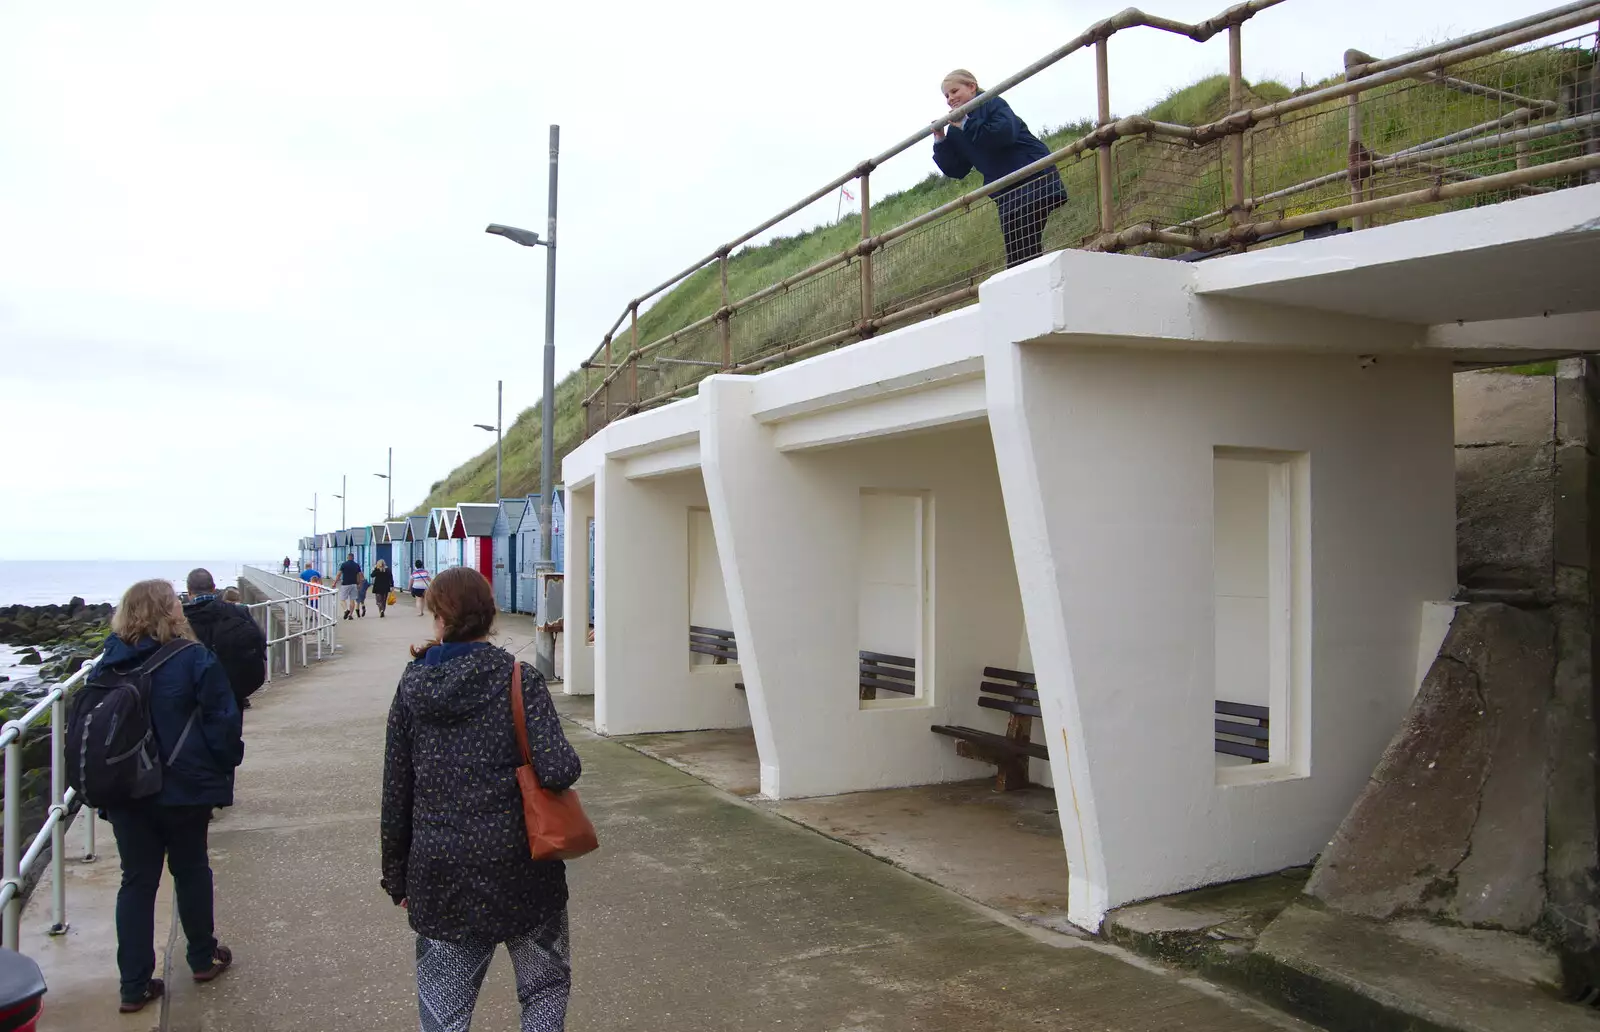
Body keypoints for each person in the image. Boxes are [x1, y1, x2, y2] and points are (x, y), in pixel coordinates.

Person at [380, 567, 582, 1031]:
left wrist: (398, 878)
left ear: (438, 616)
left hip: (440, 874)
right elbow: (558, 770)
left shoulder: (413, 687)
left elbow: (396, 791)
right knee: (544, 990)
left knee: (445, 1014)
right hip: (524, 870)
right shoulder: (519, 679)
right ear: (488, 616)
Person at [99, 579, 242, 1013]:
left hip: (126, 789)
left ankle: (133, 985)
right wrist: (222, 766)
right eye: (175, 603)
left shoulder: (108, 662)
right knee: (192, 868)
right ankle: (201, 957)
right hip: (182, 788)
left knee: (137, 882)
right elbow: (223, 721)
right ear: (169, 611)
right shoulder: (194, 658)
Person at [931, 68, 1067, 269]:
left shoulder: (991, 103)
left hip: (1032, 176)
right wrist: (941, 140)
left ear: (972, 87)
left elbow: (1004, 134)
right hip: (1006, 191)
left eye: (954, 91)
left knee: (1025, 246)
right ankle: (1027, 291)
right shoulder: (956, 127)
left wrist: (967, 124)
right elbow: (957, 169)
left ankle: (1032, 288)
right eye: (946, 95)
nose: (950, 98)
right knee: (1015, 253)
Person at [182, 569, 267, 713]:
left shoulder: (182, 620)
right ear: (214, 588)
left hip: (197, 695)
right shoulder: (238, 612)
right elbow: (260, 641)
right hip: (234, 687)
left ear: (189, 592)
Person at [334, 552, 363, 622]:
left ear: (347, 557)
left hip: (345, 584)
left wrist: (334, 583)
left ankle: (346, 610)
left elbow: (339, 574)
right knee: (352, 600)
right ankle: (350, 615)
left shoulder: (344, 565)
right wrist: (360, 584)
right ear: (353, 558)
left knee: (342, 599)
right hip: (354, 584)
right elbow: (360, 575)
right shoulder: (356, 565)